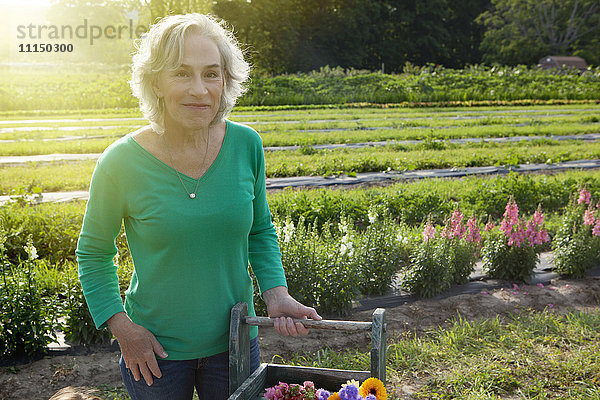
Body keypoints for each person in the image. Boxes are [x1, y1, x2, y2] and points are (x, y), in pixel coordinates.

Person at [76, 13, 321, 400]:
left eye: (211, 73)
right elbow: (93, 252)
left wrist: (276, 293)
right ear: (155, 81)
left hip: (236, 342)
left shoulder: (246, 145)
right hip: (154, 351)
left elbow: (259, 229)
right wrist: (123, 330)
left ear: (226, 80)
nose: (199, 89)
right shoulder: (120, 162)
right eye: (181, 73)